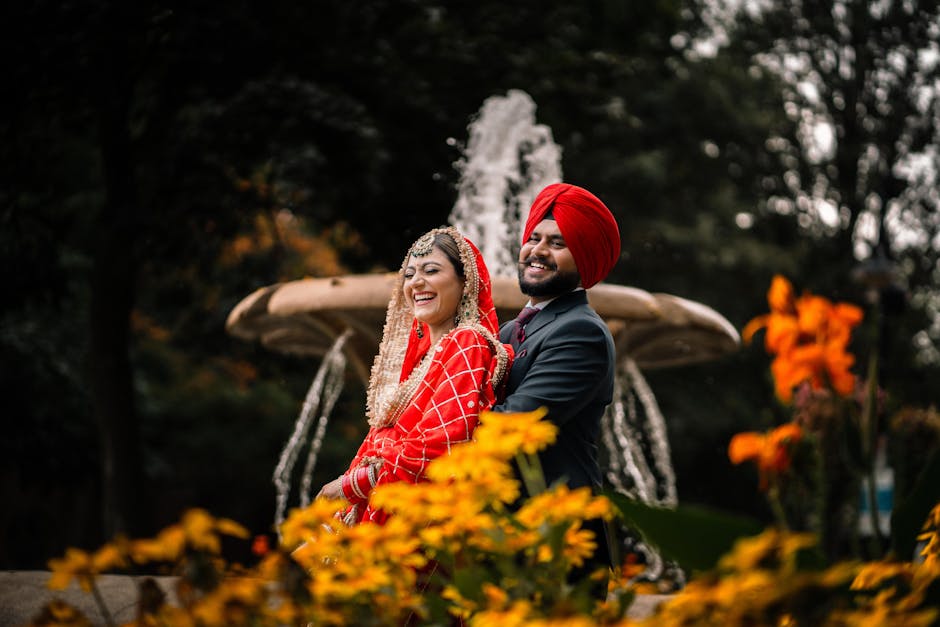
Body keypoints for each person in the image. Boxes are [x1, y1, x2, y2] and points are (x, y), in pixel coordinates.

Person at [317, 226, 511, 525]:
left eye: (431, 271)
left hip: (423, 519)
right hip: (390, 506)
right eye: (409, 274)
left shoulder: (467, 341)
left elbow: (444, 443)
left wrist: (352, 484)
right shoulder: (423, 359)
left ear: (465, 281)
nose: (417, 282)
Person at [493, 182, 621, 579]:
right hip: (504, 538)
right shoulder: (511, 329)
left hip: (557, 545)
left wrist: (425, 428)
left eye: (557, 243)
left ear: (583, 257)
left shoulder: (581, 332)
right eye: (534, 238)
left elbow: (514, 424)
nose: (538, 251)